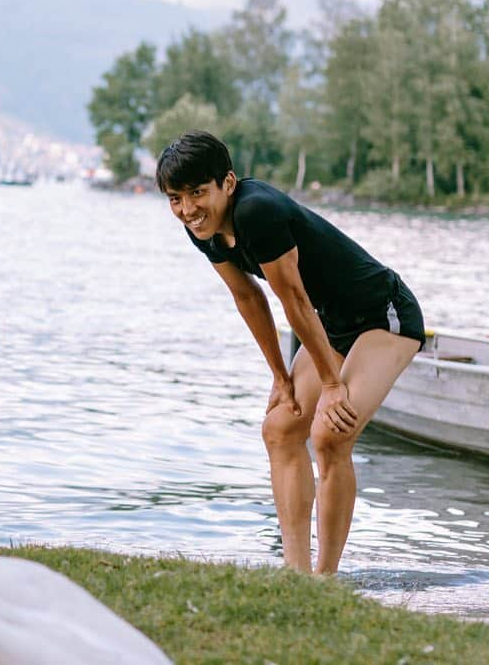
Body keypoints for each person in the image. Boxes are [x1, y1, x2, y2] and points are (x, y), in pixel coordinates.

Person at [156, 130, 425, 574]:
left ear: (228, 182)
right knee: (280, 427)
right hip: (333, 325)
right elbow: (248, 298)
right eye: (175, 199)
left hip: (384, 315)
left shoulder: (257, 212)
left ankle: (325, 578)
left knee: (330, 434)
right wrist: (281, 378)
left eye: (197, 193)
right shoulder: (202, 228)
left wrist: (333, 384)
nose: (187, 209)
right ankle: (295, 575)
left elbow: (294, 300)